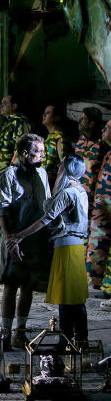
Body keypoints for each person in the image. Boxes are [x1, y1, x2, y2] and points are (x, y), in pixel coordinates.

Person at [8, 155, 90, 344]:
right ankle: (74, 338)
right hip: (74, 246)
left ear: (67, 169)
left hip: (67, 247)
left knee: (69, 296)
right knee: (71, 295)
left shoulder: (67, 193)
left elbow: (46, 219)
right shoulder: (80, 190)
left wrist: (21, 235)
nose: (58, 167)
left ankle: (71, 339)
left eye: (61, 165)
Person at [0, 133, 51, 349]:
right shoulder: (9, 175)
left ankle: (20, 333)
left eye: (43, 152)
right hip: (13, 237)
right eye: (39, 153)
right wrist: (11, 239)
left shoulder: (42, 174)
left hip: (34, 239)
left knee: (28, 286)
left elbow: (45, 207)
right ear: (25, 154)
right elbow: (2, 209)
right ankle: (5, 334)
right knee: (10, 286)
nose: (42, 157)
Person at [0, 95, 33, 224]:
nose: (1, 106)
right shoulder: (7, 122)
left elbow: (21, 148)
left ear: (14, 106)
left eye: (4, 103)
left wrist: (13, 167)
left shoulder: (19, 122)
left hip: (8, 169)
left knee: (6, 197)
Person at [87, 119, 111, 290]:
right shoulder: (108, 153)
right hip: (100, 211)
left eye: (108, 128)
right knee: (97, 244)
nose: (103, 129)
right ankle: (95, 280)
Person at [73, 107, 107, 205]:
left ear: (91, 124)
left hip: (92, 198)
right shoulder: (81, 139)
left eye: (83, 118)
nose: (79, 120)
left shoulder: (102, 144)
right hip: (76, 193)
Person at [42, 104, 70, 188]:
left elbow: (64, 166)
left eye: (48, 113)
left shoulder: (60, 137)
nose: (44, 115)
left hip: (52, 183)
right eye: (44, 112)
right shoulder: (49, 137)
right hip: (44, 181)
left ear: (57, 117)